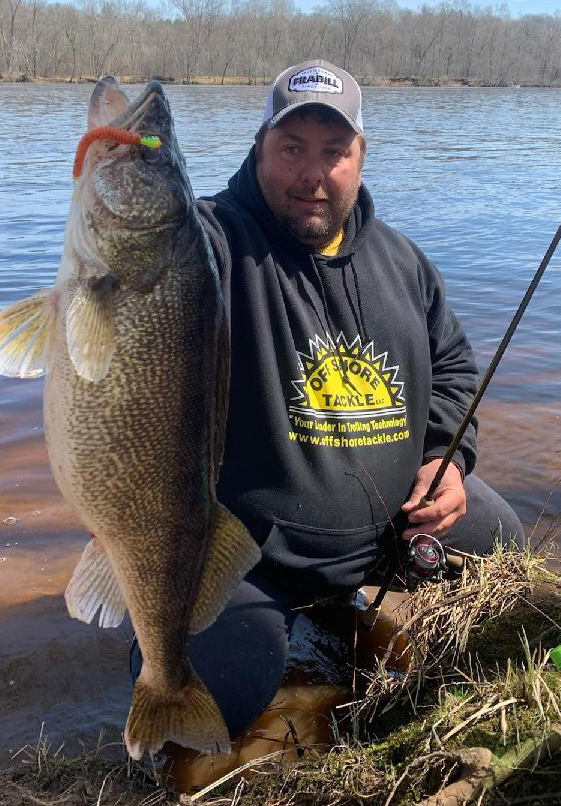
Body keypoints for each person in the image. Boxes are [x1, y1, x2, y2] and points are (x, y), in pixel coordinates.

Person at [131, 59, 524, 741]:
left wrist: (447, 459)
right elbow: (144, 253)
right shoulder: (210, 244)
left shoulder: (402, 262)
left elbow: (454, 367)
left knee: (507, 551)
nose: (312, 174)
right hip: (252, 556)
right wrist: (135, 156)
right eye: (291, 149)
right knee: (209, 708)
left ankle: (357, 610)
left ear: (360, 157)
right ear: (260, 151)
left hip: (392, 530)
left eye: (333, 151)